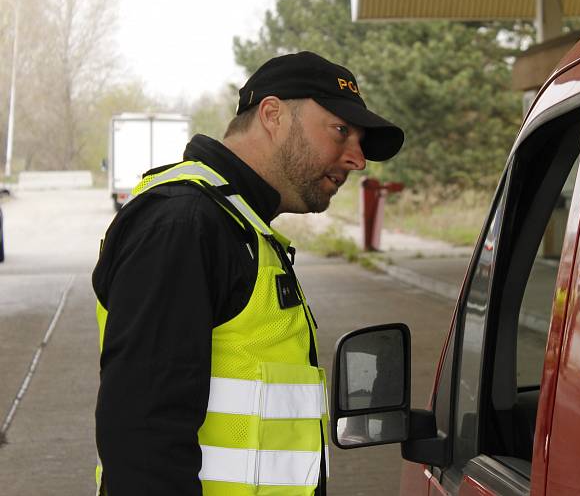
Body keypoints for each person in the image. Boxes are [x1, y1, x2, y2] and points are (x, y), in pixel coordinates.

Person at [92, 51, 404, 496]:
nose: (358, 159)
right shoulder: (185, 222)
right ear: (273, 115)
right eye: (341, 131)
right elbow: (143, 435)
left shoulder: (238, 224)